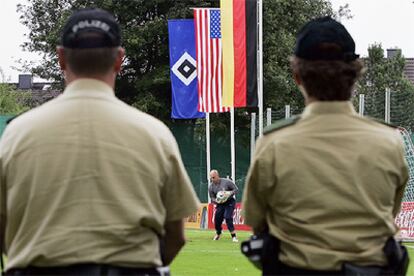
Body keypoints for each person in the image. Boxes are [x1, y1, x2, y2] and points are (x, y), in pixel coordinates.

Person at [0, 8, 200, 275]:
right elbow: (176, 233)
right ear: (119, 59)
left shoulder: (17, 134)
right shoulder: (154, 134)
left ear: (61, 58)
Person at [242, 16, 409, 275]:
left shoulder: (273, 143)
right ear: (355, 74)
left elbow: (255, 220)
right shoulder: (389, 141)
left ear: (297, 76)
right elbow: (389, 211)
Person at [208, 170, 238, 242]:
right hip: (220, 204)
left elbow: (236, 189)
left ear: (218, 176)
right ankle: (219, 233)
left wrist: (228, 194)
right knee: (217, 219)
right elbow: (212, 197)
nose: (212, 179)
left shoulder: (226, 182)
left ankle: (234, 236)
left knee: (228, 217)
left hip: (229, 202)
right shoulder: (211, 187)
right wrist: (217, 200)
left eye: (213, 177)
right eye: (211, 178)